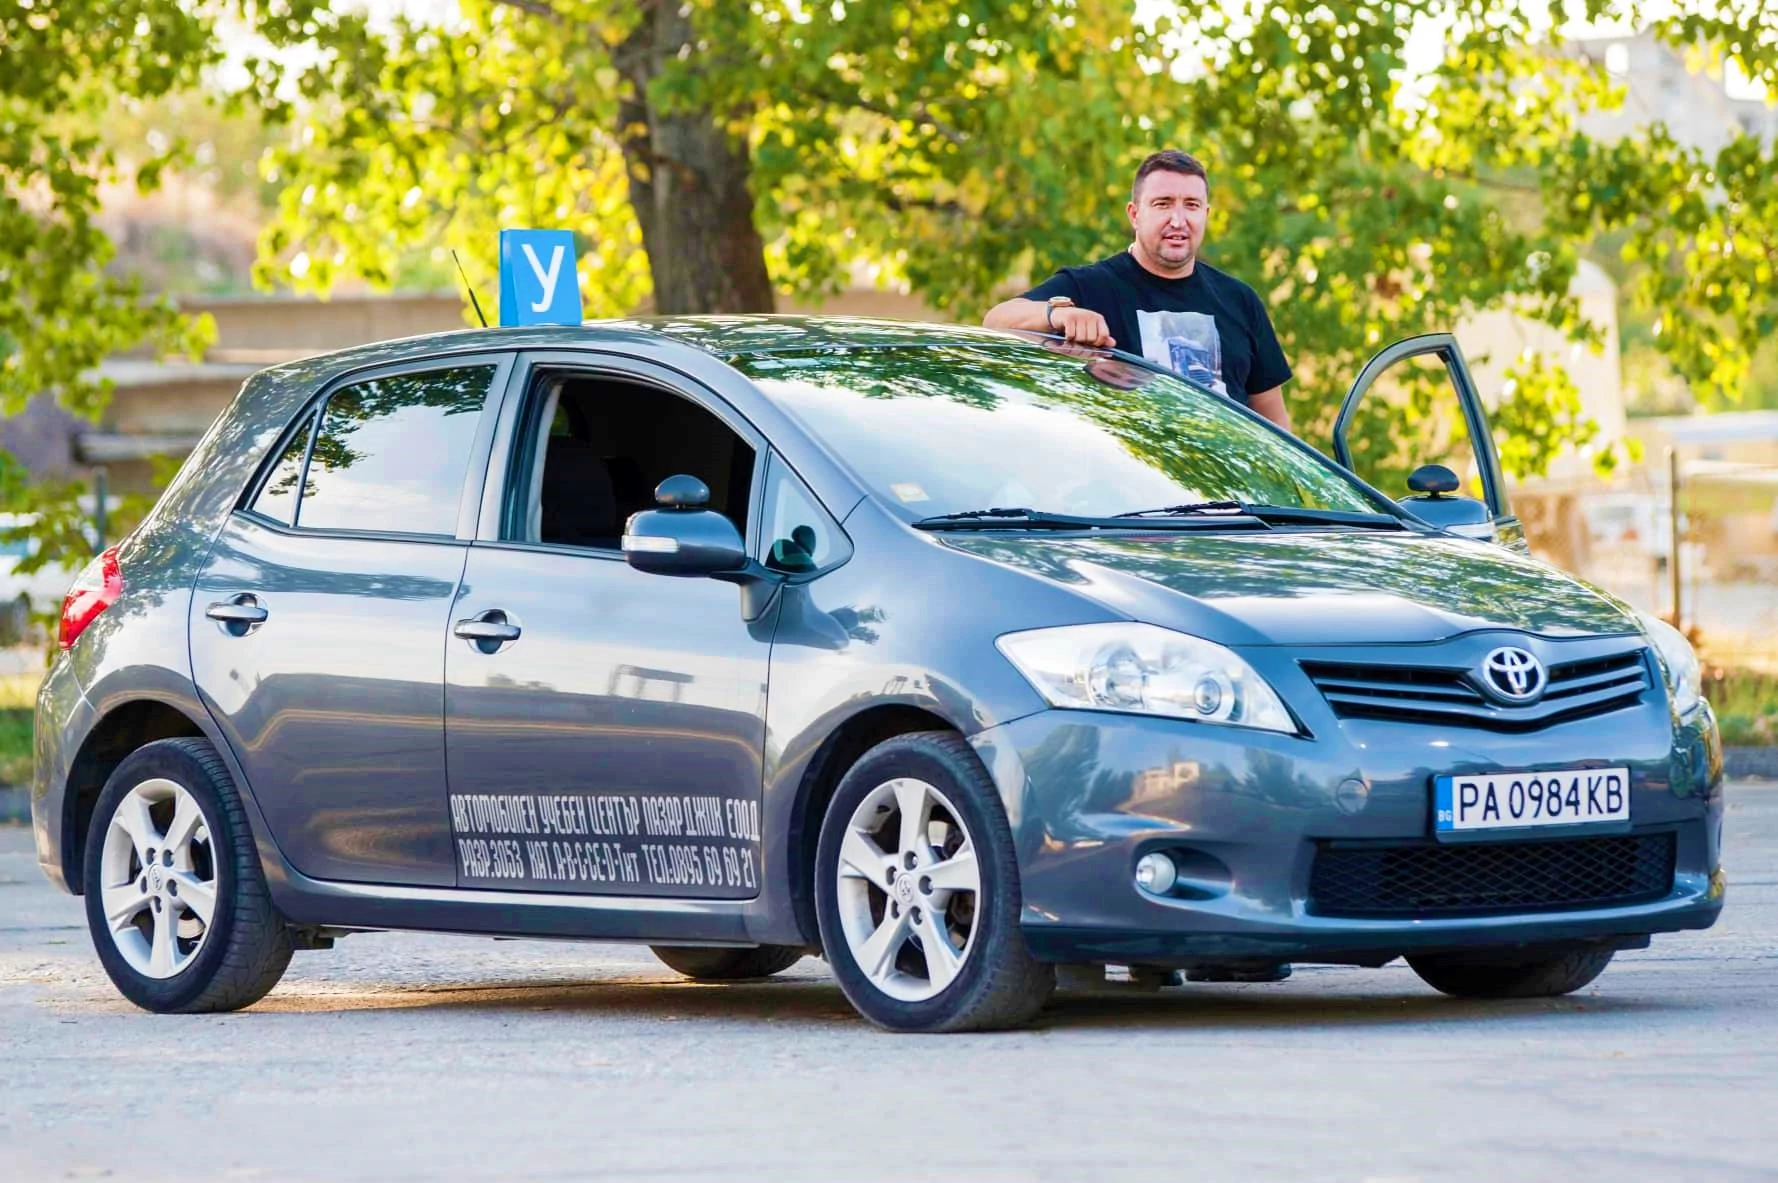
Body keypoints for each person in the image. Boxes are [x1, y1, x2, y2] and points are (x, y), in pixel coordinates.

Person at [984, 149, 1294, 432]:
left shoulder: (1240, 300)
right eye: (1163, 204)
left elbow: (1275, 424)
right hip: (1132, 473)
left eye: (1191, 205)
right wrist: (1058, 314)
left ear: (1206, 214)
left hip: (1223, 473)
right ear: (1134, 214)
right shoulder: (1092, 286)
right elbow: (996, 321)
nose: (1178, 220)